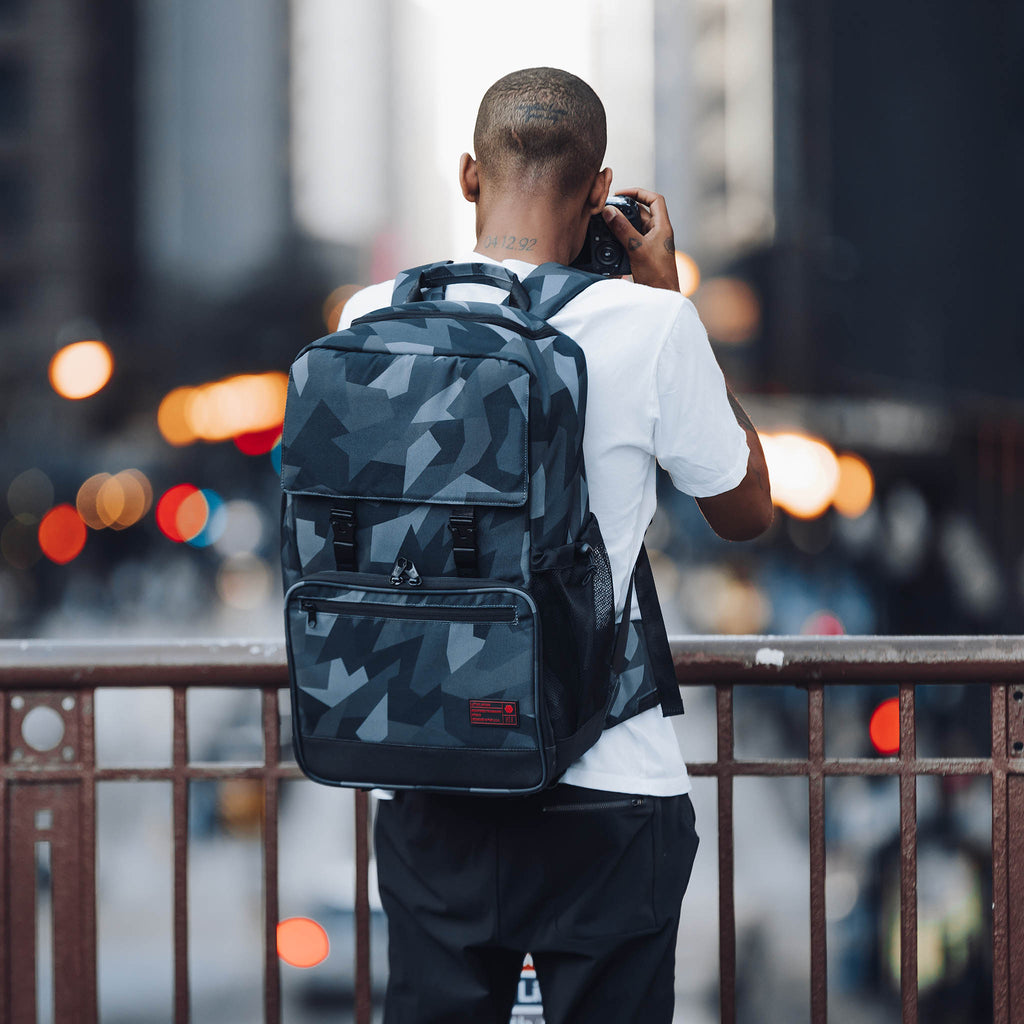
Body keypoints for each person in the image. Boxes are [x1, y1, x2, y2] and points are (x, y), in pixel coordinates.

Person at [338, 67, 773, 1024]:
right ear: (599, 193)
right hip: (610, 790)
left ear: (466, 176)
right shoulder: (652, 325)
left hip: (432, 768)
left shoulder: (368, 320)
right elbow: (745, 510)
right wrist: (672, 298)